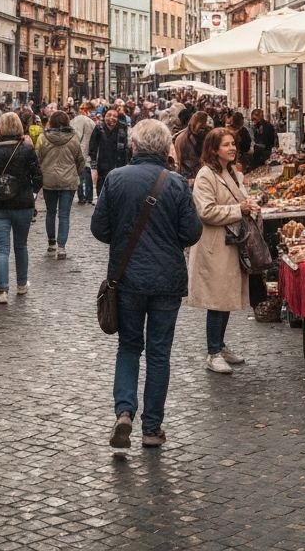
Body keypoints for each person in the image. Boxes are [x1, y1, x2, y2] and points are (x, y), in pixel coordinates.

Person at [91, 119, 202, 450]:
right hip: (166, 281)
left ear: (135, 147)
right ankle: (152, 428)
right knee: (158, 352)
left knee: (128, 346)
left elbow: (99, 229)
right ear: (166, 147)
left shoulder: (116, 179)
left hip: (127, 279)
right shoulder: (177, 183)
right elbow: (192, 232)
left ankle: (124, 411)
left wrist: (123, 236)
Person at [188, 128, 260, 374]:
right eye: (227, 145)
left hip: (231, 244)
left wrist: (250, 204)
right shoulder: (205, 176)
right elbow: (206, 211)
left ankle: (220, 344)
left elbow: (239, 199)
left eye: (233, 144)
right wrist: (240, 209)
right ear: (214, 149)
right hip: (214, 245)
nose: (232, 148)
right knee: (217, 300)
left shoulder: (230, 172)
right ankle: (213, 352)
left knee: (226, 297)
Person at [0, 112, 43, 304]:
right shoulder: (26, 150)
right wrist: (32, 194)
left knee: (2, 249)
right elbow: (38, 177)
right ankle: (21, 284)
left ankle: (3, 291)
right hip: (22, 205)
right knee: (21, 246)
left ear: (0, 128)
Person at [38, 110, 86, 260]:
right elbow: (80, 161)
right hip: (68, 181)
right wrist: (74, 174)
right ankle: (61, 247)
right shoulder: (73, 138)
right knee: (64, 215)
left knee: (50, 212)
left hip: (49, 180)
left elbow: (38, 159)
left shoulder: (44, 138)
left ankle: (51, 242)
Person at [89, 107, 130, 193]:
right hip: (102, 166)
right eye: (109, 115)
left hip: (119, 165)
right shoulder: (99, 128)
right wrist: (94, 168)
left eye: (115, 116)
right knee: (102, 191)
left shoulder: (123, 128)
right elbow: (93, 148)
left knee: (117, 191)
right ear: (104, 117)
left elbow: (127, 147)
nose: (112, 117)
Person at [173, 111, 209, 185]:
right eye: (202, 126)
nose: (204, 128)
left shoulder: (205, 134)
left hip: (197, 175)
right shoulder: (183, 138)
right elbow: (183, 160)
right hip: (191, 177)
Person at [71, 102, 97, 205]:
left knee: (81, 175)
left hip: (79, 151)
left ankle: (81, 197)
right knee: (87, 174)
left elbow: (75, 136)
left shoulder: (76, 120)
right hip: (87, 151)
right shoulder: (89, 121)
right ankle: (89, 197)